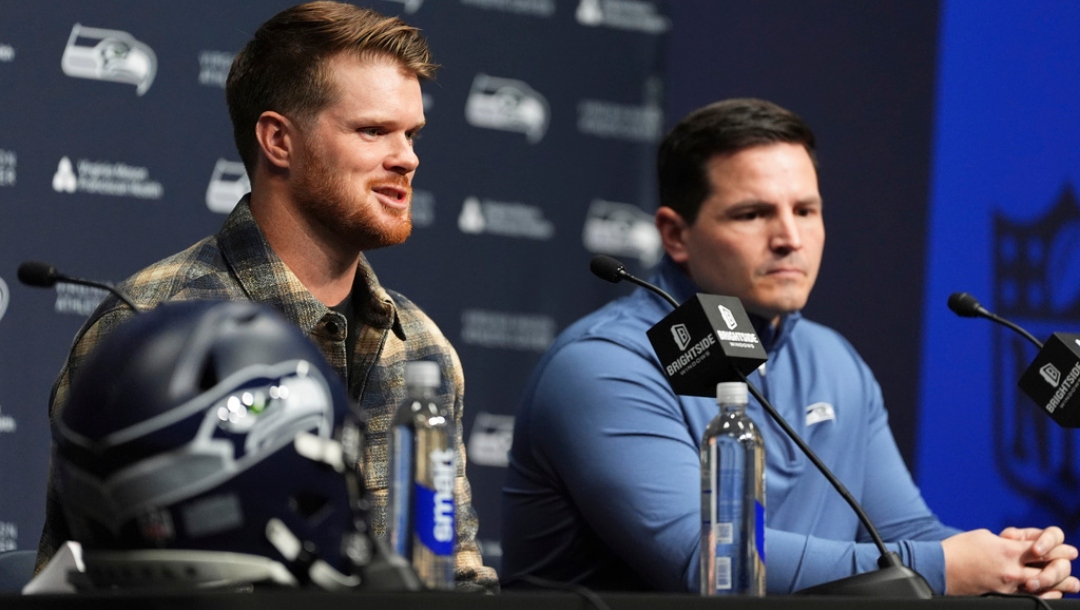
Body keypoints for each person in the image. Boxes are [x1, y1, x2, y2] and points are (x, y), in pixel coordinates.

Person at [500, 98, 1079, 597]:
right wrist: (948, 568)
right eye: (753, 214)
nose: (789, 239)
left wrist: (1016, 565)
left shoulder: (832, 359)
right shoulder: (604, 365)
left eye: (806, 210)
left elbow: (905, 531)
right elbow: (706, 561)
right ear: (676, 234)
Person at [36, 1, 498, 592]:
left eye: (411, 134)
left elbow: (454, 575)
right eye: (374, 130)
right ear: (278, 140)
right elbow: (83, 586)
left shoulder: (424, 348)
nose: (407, 157)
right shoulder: (146, 328)